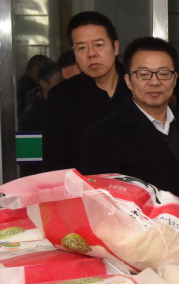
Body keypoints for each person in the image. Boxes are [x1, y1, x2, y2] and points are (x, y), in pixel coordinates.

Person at [80, 37, 179, 201]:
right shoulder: (102, 135)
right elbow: (102, 202)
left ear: (175, 79)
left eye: (164, 74)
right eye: (143, 74)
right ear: (128, 81)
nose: (155, 82)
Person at [42, 11, 130, 172]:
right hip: (83, 187)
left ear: (115, 47)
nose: (91, 54)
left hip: (139, 187)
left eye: (99, 44)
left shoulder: (138, 88)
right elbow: (54, 163)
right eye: (81, 47)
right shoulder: (61, 97)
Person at [18, 61, 62, 132]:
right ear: (44, 83)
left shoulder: (66, 105)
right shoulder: (31, 115)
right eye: (60, 81)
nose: (65, 85)